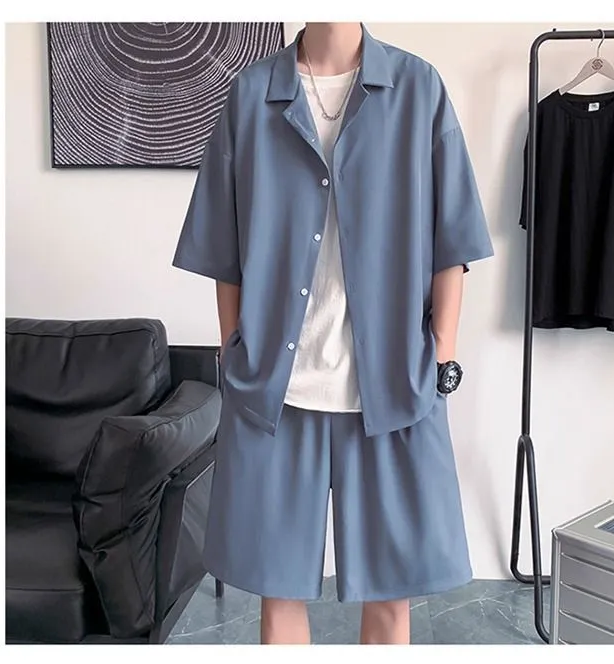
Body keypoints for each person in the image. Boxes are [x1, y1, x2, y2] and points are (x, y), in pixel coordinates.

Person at [173, 22, 493, 645]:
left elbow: (452, 240)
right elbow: (222, 247)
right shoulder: (251, 95)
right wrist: (235, 349)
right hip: (275, 392)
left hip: (392, 387)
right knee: (278, 595)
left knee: (390, 598)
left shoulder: (417, 88)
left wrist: (441, 357)